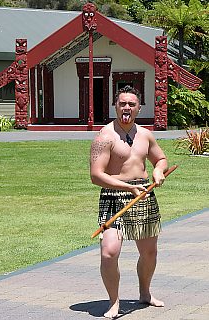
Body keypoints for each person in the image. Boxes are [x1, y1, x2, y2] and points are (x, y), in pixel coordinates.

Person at [90, 85, 168, 319]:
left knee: (149, 253)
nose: (127, 108)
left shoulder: (145, 135)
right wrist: (127, 187)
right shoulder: (104, 137)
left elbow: (161, 158)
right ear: (115, 106)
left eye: (131, 104)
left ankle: (145, 293)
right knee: (109, 253)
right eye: (122, 103)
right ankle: (114, 302)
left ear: (138, 108)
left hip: (144, 195)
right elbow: (96, 175)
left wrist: (158, 172)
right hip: (115, 197)